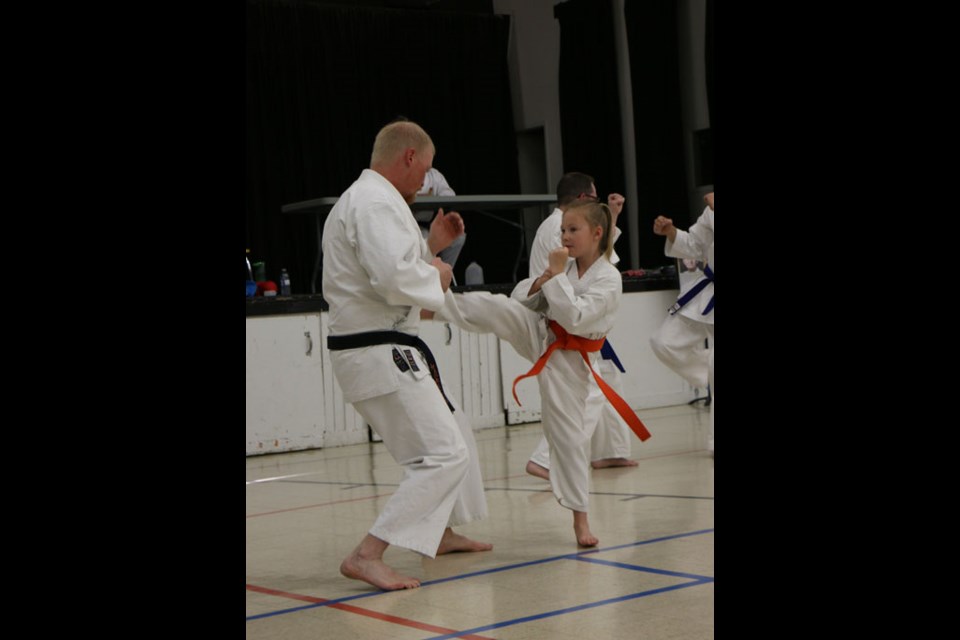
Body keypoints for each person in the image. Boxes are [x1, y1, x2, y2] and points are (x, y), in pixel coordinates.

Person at [321, 120, 491, 591]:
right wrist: (435, 274)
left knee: (449, 434)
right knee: (444, 454)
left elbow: (385, 265)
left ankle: (439, 532)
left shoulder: (375, 200)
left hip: (383, 347)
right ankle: (367, 553)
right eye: (427, 169)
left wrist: (431, 247)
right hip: (377, 350)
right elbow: (394, 279)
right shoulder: (374, 202)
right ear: (409, 157)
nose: (427, 181)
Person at [432, 200, 650, 548]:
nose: (565, 236)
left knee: (568, 439)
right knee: (499, 306)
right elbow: (524, 299)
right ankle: (433, 304)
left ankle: (581, 520)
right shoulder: (568, 267)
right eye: (563, 229)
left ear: (597, 234)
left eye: (573, 230)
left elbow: (576, 317)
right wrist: (545, 280)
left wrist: (556, 279)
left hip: (573, 360)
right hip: (543, 334)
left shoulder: (609, 278)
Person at [523, 172, 636, 480]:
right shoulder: (557, 229)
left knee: (604, 381)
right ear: (584, 199)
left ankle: (609, 452)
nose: (568, 235)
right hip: (556, 318)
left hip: (571, 314)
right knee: (588, 393)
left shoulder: (564, 225)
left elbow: (597, 257)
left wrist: (609, 220)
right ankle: (546, 460)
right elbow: (589, 266)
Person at [651, 191, 714, 454]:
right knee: (663, 342)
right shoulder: (710, 210)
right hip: (707, 291)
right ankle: (706, 373)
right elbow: (696, 244)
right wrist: (671, 232)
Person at [415, 167, 466, 272]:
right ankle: (426, 277)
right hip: (410, 225)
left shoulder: (434, 175)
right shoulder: (405, 172)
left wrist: (433, 199)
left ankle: (443, 272)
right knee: (423, 240)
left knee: (458, 238)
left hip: (428, 225)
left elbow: (450, 196)